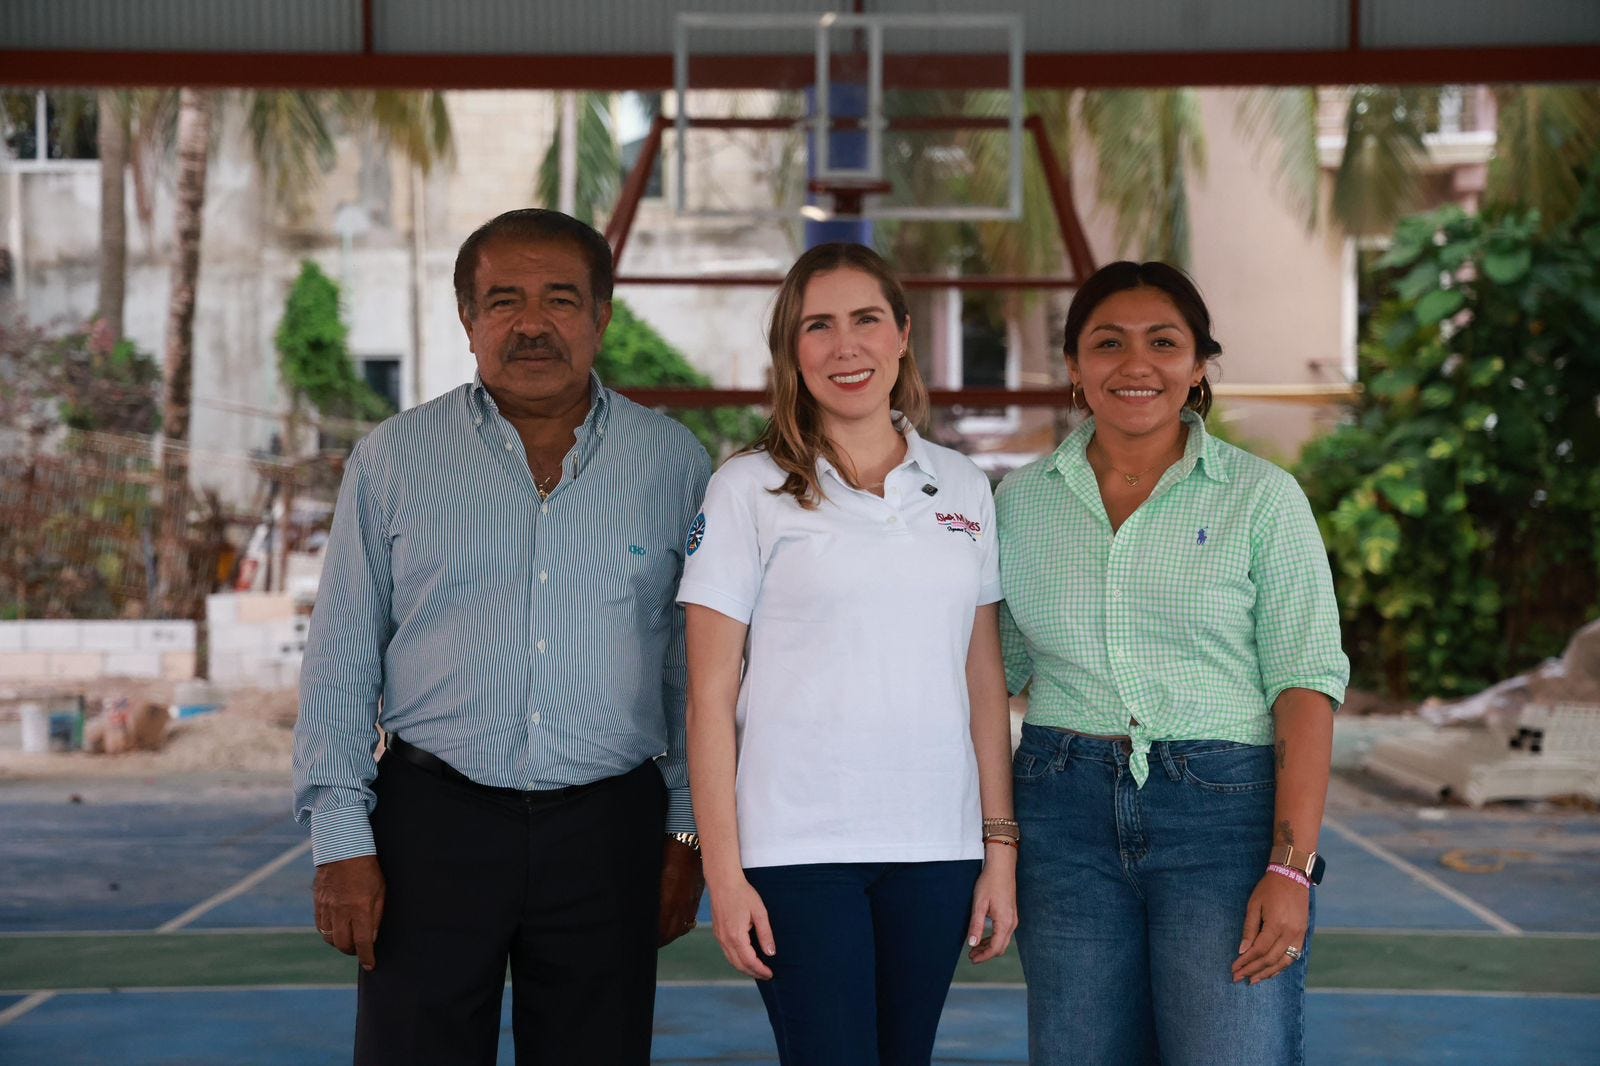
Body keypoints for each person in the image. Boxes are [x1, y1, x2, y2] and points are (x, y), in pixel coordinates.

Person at [292, 208, 711, 1065]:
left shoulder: (673, 463)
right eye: (503, 300)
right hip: (431, 828)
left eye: (560, 299)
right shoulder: (393, 460)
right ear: (467, 316)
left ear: (601, 316)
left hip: (610, 832)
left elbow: (690, 671)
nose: (531, 324)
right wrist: (340, 842)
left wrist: (684, 835)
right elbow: (340, 662)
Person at [996, 261, 1349, 1065]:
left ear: (1197, 368)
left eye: (1163, 343)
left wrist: (1291, 869)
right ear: (1075, 367)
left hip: (1225, 820)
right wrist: (996, 841)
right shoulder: (1020, 502)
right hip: (1061, 816)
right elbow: (988, 679)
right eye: (1107, 343)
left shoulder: (1261, 498)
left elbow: (1305, 685)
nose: (1136, 364)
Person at [679, 242, 1018, 1066]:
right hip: (796, 851)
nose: (846, 347)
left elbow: (983, 680)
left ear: (902, 335)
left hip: (935, 849)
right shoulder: (746, 489)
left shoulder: (963, 486)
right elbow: (708, 698)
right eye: (818, 326)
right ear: (791, 351)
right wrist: (724, 874)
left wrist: (999, 851)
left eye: (866, 320)